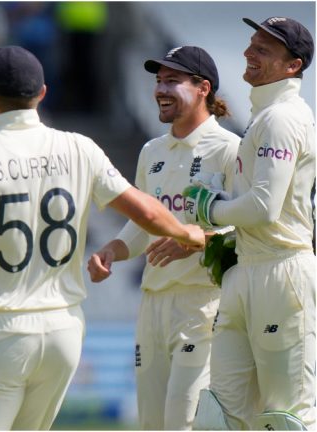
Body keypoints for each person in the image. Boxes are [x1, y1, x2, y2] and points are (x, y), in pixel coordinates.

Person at [0, 46, 206, 430]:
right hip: (63, 330)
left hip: (1, 330)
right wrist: (187, 232)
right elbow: (145, 212)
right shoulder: (80, 147)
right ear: (42, 94)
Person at [86, 46, 239, 430]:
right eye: (158, 81)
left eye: (173, 80)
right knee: (152, 424)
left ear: (203, 88)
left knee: (182, 422)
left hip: (202, 304)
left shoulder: (229, 149)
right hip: (153, 306)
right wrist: (113, 250)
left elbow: (249, 227)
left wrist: (198, 239)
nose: (161, 89)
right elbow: (141, 224)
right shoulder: (151, 151)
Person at [187, 17, 315, 430]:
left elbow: (264, 208)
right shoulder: (264, 117)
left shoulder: (281, 118)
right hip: (246, 269)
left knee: (286, 417)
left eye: (263, 49)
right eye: (251, 43)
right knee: (219, 416)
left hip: (282, 272)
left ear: (292, 66)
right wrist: (224, 213)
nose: (248, 53)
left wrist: (212, 210)